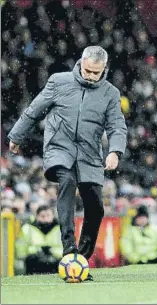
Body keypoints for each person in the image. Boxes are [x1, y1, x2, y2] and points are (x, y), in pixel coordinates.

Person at [8, 46, 128, 281]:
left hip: (90, 155)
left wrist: (115, 151)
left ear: (105, 69)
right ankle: (69, 249)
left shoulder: (111, 93)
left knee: (96, 207)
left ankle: (79, 260)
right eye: (87, 71)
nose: (91, 76)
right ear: (80, 64)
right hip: (59, 148)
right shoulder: (58, 82)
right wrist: (16, 135)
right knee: (68, 182)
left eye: (97, 72)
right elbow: (35, 110)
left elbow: (117, 126)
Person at [16, 205, 62, 275]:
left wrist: (51, 251)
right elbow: (21, 249)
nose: (46, 219)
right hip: (34, 262)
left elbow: (64, 249)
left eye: (48, 215)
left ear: (53, 216)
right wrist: (38, 250)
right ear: (37, 216)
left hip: (55, 262)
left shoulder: (60, 229)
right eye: (42, 216)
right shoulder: (27, 228)